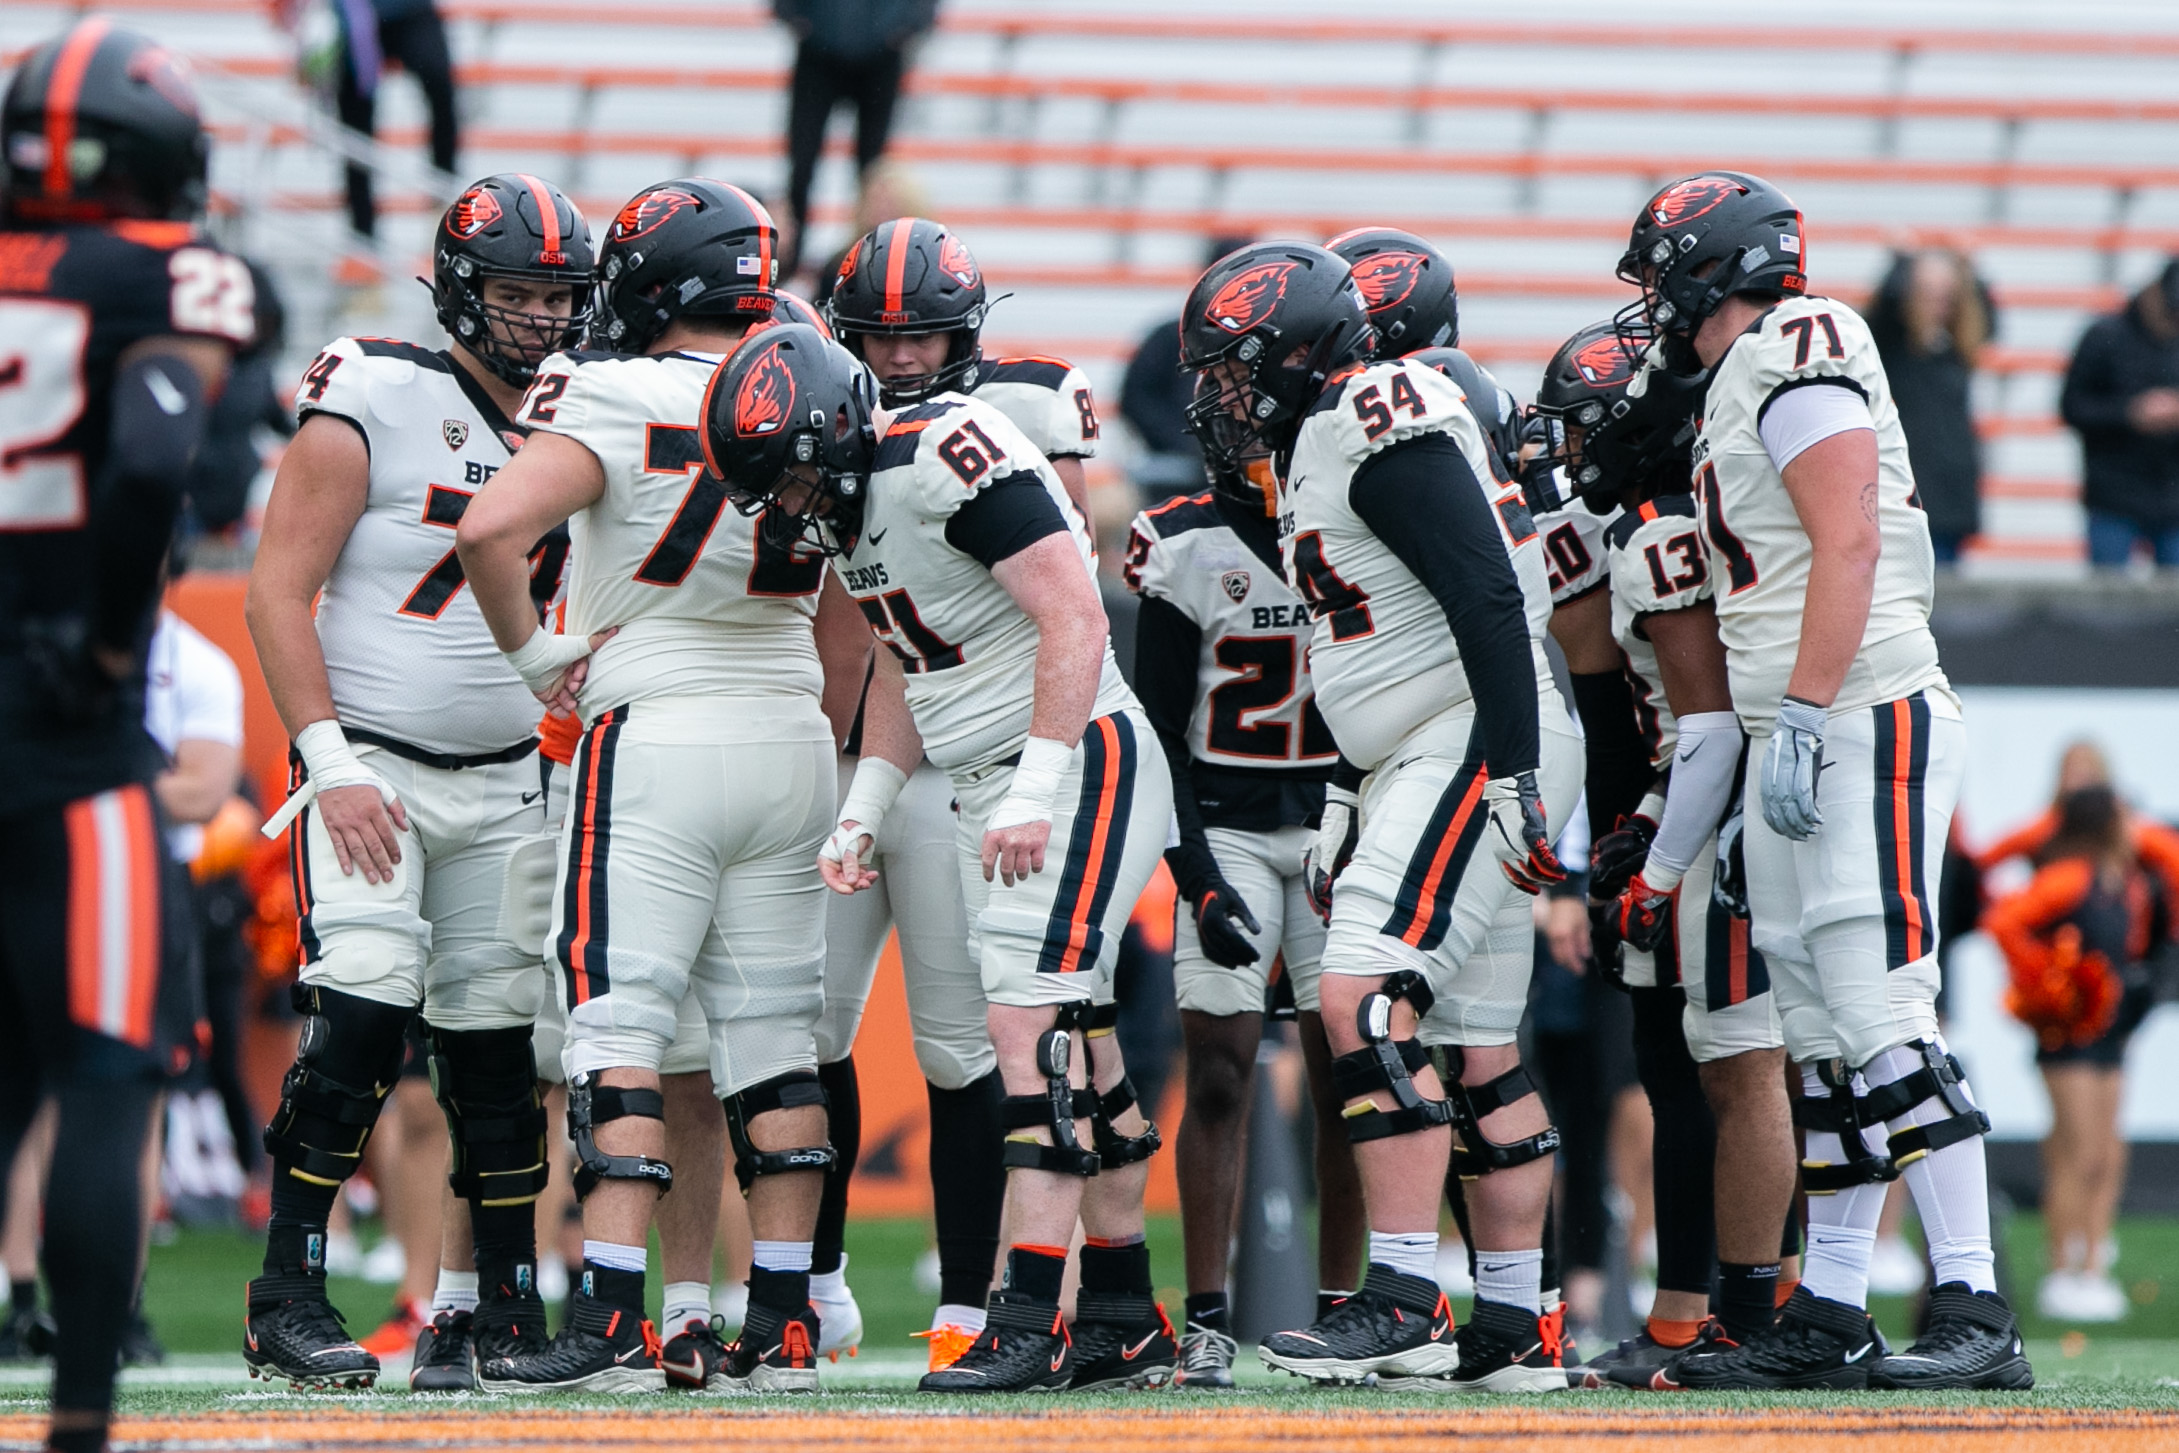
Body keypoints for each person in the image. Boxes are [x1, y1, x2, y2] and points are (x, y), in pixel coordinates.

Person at [703, 324, 1179, 1394]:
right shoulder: (856, 502)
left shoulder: (945, 451)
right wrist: (865, 805)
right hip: (990, 773)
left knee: (1023, 1027)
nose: (780, 505)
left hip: (1070, 759)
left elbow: (1075, 616)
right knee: (1084, 1043)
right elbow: (913, 658)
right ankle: (1119, 1309)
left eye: (783, 478)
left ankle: (1025, 1313)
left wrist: (1037, 787)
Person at [1619, 171, 2028, 1391]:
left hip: (1858, 706)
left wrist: (1797, 710)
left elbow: (1847, 533)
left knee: (1877, 1005)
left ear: (1712, 267)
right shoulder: (1744, 378)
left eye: (1663, 277)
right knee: (1816, 1040)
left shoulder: (1799, 339)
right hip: (1801, 718)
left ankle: (1974, 1299)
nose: (1653, 306)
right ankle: (1831, 1313)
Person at [458, 180, 866, 1394]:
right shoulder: (829, 392)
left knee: (618, 1027)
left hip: (657, 731)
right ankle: (783, 1325)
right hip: (791, 732)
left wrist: (538, 658)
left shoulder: (614, 390)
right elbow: (855, 621)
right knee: (772, 1037)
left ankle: (620, 1322)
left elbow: (487, 531)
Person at [1179, 244, 1581, 1391]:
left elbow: (1489, 592)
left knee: (1361, 989)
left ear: (1301, 353)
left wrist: (1507, 770)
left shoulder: (1370, 409)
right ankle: (1516, 1328)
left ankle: (1402, 1294)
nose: (1219, 399)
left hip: (1468, 733)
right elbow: (1378, 634)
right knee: (1480, 1047)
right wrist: (1349, 794)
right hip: (1440, 737)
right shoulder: (1331, 432)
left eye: (1233, 372)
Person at [240, 173, 590, 1392]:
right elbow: (277, 592)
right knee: (365, 1015)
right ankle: (286, 1289)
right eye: (516, 292)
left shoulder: (587, 410)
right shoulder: (375, 390)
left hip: (511, 775)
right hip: (373, 763)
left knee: (498, 1052)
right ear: (457, 288)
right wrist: (329, 762)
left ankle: (499, 1307)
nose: (542, 319)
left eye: (560, 296)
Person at [1, 22, 250, 1450]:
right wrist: (108, 641)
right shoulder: (166, 272)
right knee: (105, 1073)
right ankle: (81, 1421)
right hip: (65, 736)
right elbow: (161, 454)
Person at [823, 219, 1106, 1366]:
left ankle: (968, 1296)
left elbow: (1063, 581)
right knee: (802, 1024)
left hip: (971, 761)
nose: (898, 361)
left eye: (922, 336)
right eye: (879, 340)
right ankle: (809, 1280)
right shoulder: (819, 409)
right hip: (852, 749)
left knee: (967, 1042)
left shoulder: (1025, 409)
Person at [1531, 321, 1803, 1388]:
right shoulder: (1640, 522)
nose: (1564, 451)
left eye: (1581, 428)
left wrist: (1634, 860)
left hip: (1709, 810)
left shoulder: (1661, 528)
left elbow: (1685, 719)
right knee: (1692, 1063)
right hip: (1676, 804)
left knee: (1735, 1066)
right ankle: (1737, 1303)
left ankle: (1742, 1309)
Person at [1120, 386, 1357, 1388]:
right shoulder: (1181, 541)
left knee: (1350, 1079)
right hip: (1223, 826)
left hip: (1336, 828)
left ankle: (1348, 1312)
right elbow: (1160, 733)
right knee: (1217, 1071)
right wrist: (1198, 877)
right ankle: (1207, 1316)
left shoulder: (1360, 523)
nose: (1249, 431)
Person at [1984, 783, 2168, 1325]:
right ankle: (2063, 1268)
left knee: (2109, 1153)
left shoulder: (2127, 883)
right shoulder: (2071, 876)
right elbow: (2005, 921)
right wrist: (2046, 980)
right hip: (2068, 1037)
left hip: (2112, 1034)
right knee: (2077, 1153)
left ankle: (2092, 1262)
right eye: (2122, 815)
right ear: (2102, 823)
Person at [774, 0, 939, 278]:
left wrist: (901, 30)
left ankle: (870, 262)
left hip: (877, 54)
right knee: (802, 167)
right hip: (821, 51)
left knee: (871, 172)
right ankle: (789, 264)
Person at [1864, 250, 1994, 565]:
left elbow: (1988, 318)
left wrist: (1970, 271)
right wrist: (1905, 262)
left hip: (1950, 494)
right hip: (1909, 492)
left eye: (1947, 296)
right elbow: (1884, 309)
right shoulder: (1895, 347)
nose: (1938, 304)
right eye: (1927, 294)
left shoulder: (1956, 348)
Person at [2060, 259, 2179, 568]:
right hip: (2114, 495)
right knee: (2107, 604)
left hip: (2171, 494)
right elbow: (2072, 407)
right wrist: (2130, 414)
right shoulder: (2104, 337)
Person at [1118, 234, 1255, 501]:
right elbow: (1135, 399)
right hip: (1178, 460)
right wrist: (1185, 442)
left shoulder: (1275, 338)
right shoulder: (1171, 335)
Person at [335, 0, 460, 263]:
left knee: (440, 85)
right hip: (352, 13)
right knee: (355, 124)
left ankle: (445, 206)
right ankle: (362, 238)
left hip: (407, 10)